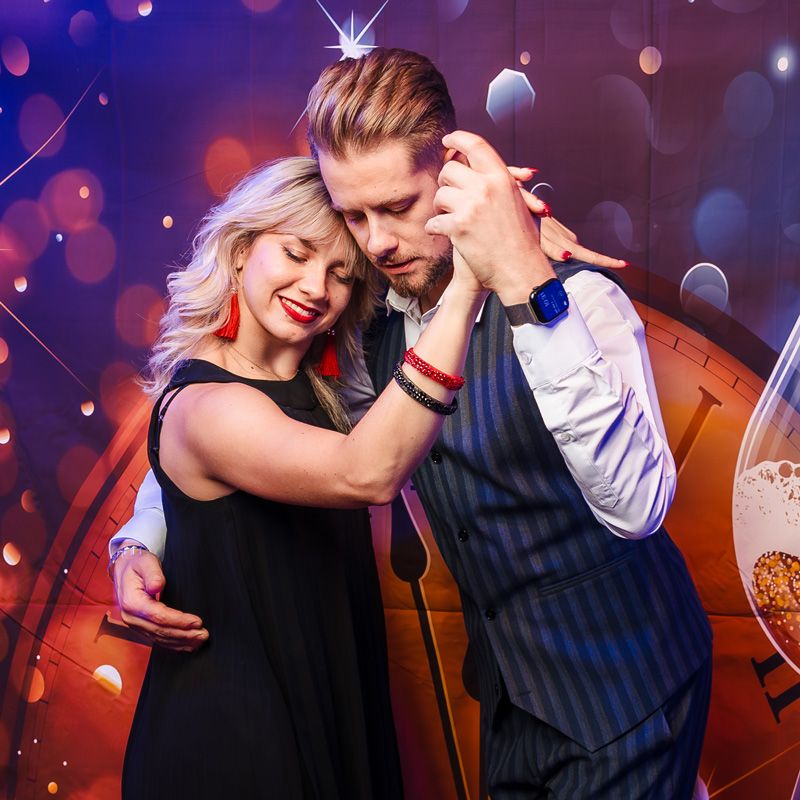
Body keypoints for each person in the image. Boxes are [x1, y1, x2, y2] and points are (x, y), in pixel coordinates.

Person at [113, 50, 712, 799]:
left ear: (455, 174)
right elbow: (231, 434)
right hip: (515, 705)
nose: (375, 243)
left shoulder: (579, 301)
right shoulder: (372, 330)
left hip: (633, 692)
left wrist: (523, 275)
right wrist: (139, 538)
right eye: (353, 216)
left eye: (397, 207)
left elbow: (638, 507)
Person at [117, 155, 487, 799]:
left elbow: (179, 491)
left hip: (330, 702)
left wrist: (518, 242)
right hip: (239, 741)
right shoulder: (206, 406)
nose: (316, 287)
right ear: (240, 252)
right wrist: (473, 281)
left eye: (341, 273)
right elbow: (366, 472)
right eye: (295, 252)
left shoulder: (327, 388)